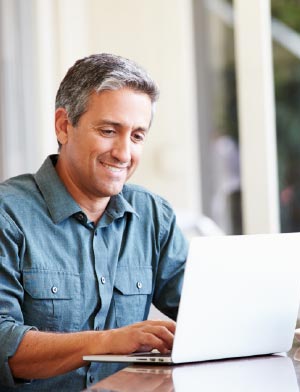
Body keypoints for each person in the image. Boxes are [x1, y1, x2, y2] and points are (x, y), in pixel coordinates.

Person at [0, 53, 188, 390]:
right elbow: (3, 342)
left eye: (137, 136)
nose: (123, 153)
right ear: (63, 126)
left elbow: (205, 312)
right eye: (108, 130)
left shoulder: (153, 216)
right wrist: (107, 342)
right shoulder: (8, 215)